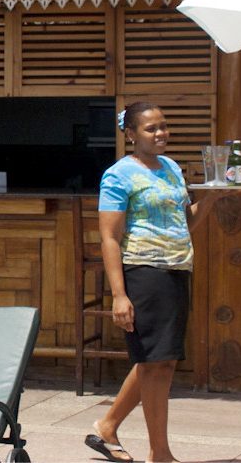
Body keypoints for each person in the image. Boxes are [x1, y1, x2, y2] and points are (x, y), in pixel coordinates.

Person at [86, 101, 196, 463]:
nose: (161, 133)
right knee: (156, 362)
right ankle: (160, 452)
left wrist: (212, 194)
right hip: (143, 271)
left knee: (158, 360)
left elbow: (183, 222)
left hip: (178, 268)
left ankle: (107, 426)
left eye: (164, 126)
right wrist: (119, 295)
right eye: (151, 129)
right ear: (131, 134)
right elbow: (110, 237)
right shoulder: (118, 175)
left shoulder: (172, 168)